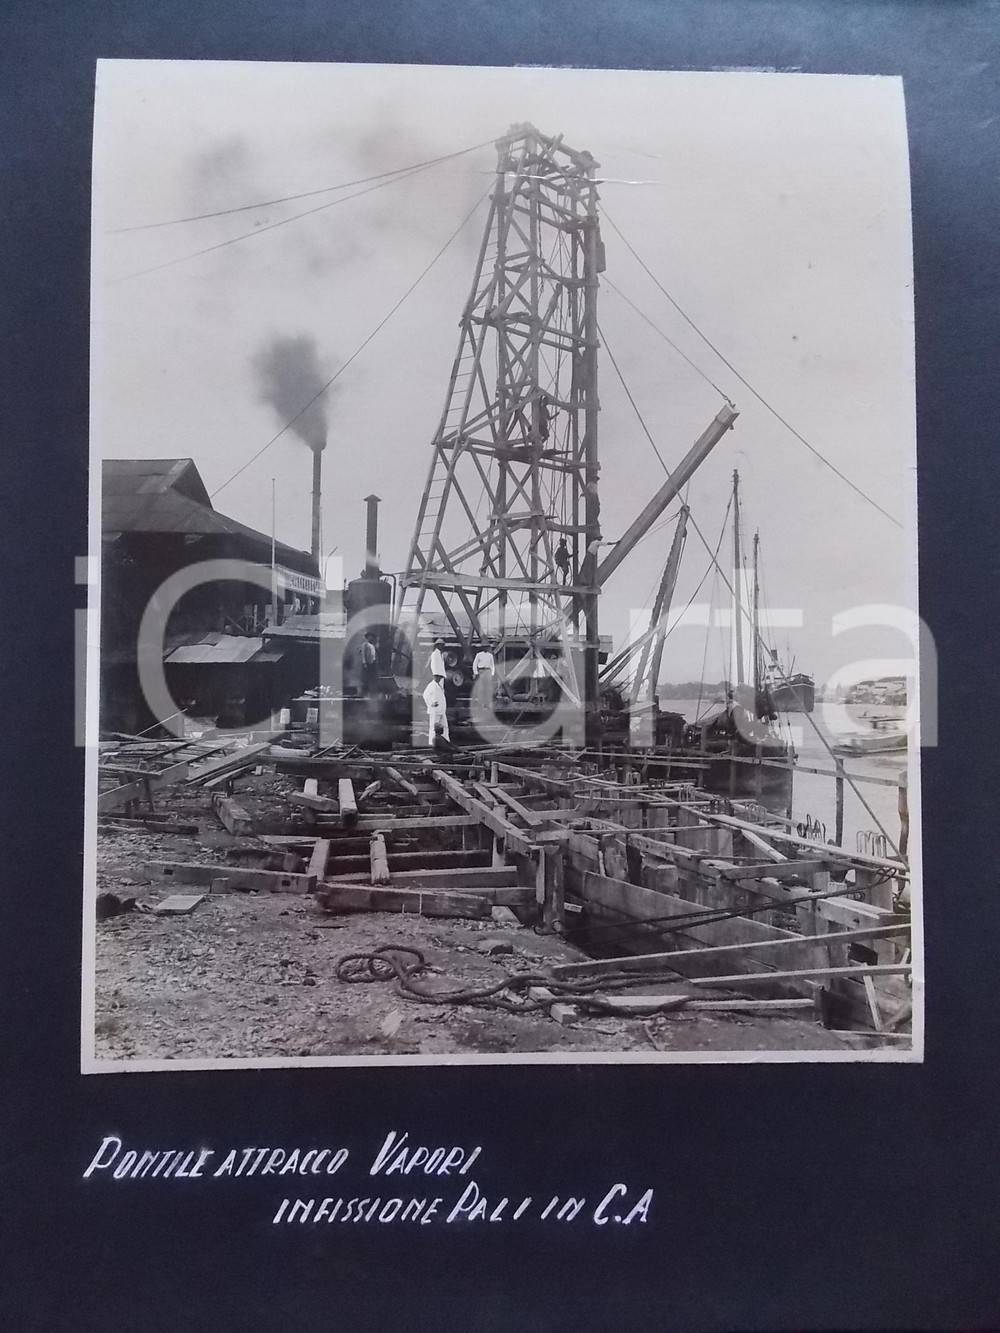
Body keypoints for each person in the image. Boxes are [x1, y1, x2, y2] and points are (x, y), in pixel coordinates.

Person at [422, 674, 450, 746]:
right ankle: (432, 742)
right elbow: (425, 695)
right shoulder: (431, 685)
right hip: (435, 710)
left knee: (444, 726)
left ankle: (446, 741)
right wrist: (431, 703)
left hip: (441, 710)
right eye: (438, 677)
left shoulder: (439, 685)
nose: (439, 679)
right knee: (433, 727)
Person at [360, 630, 378, 696]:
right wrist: (364, 663)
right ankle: (364, 692)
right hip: (367, 664)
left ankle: (372, 692)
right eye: (370, 637)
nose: (371, 638)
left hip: (373, 663)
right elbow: (363, 654)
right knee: (366, 678)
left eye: (372, 637)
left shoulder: (373, 645)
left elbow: (374, 654)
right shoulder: (364, 644)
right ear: (367, 637)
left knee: (373, 678)